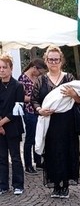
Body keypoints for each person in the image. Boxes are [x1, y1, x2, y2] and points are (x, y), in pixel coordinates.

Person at [37, 46, 80, 199]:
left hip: (67, 122)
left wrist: (73, 94)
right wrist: (39, 110)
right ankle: (56, 184)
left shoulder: (69, 78)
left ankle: (65, 184)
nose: (53, 62)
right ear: (46, 61)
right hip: (50, 122)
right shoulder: (41, 80)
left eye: (56, 59)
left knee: (66, 151)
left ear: (61, 60)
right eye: (50, 59)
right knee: (52, 152)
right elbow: (33, 100)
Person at [0, 55, 25, 195]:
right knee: (1, 157)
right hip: (0, 127)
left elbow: (18, 109)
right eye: (0, 67)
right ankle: (3, 185)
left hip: (13, 126)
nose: (2, 70)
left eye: (5, 67)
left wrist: (3, 123)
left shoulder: (18, 86)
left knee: (15, 156)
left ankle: (18, 184)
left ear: (11, 69)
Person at [18, 59, 45, 175]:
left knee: (38, 136)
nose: (40, 74)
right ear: (34, 68)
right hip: (28, 111)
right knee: (30, 138)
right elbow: (20, 97)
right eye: (39, 71)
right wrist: (34, 98)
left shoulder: (37, 79)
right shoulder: (22, 79)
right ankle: (28, 164)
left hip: (38, 111)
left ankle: (38, 161)